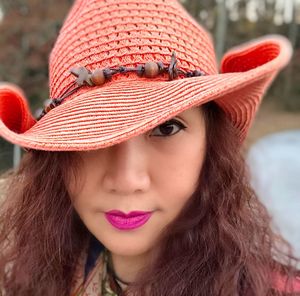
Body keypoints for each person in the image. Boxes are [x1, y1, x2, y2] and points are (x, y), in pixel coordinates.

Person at [0, 0, 299, 295]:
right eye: (91, 134)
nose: (128, 180)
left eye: (166, 128)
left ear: (211, 143)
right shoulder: (33, 276)